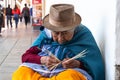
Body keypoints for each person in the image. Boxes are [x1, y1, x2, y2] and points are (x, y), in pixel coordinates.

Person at [12, 4, 105, 80]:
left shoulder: (83, 35)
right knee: (21, 74)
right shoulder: (45, 35)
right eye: (56, 33)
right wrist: (42, 59)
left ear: (74, 29)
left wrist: (78, 64)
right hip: (41, 70)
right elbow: (25, 57)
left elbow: (94, 65)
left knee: (71, 77)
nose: (60, 39)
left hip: (65, 74)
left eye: (65, 33)